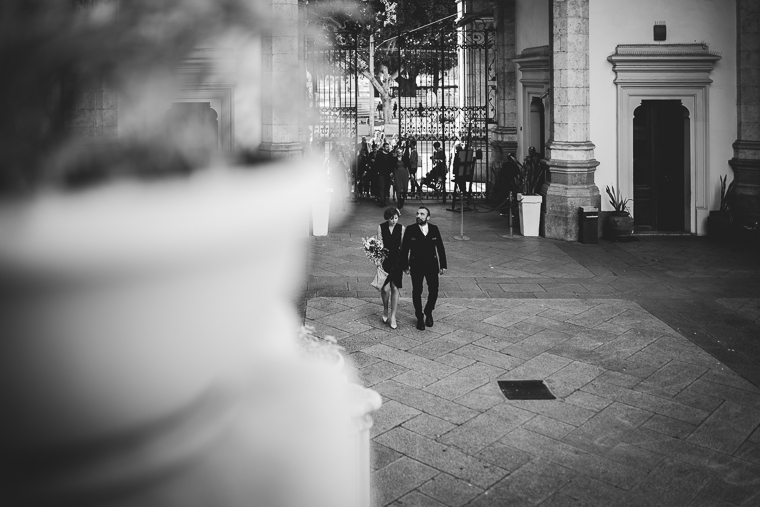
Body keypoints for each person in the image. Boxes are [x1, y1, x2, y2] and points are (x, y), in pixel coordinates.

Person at [400, 206, 447, 331]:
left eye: (422, 214)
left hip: (432, 264)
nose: (418, 216)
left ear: (428, 217)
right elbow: (404, 249)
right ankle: (419, 316)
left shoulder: (434, 229)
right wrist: (405, 266)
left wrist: (443, 265)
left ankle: (428, 311)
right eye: (417, 214)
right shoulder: (410, 230)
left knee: (434, 290)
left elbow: (440, 247)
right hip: (416, 265)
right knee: (417, 291)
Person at [378, 207, 405, 330]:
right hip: (386, 260)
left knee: (395, 287)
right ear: (387, 218)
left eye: (396, 218)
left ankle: (393, 315)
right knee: (384, 288)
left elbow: (403, 247)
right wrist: (378, 261)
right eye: (391, 218)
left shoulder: (401, 228)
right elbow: (379, 245)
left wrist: (405, 264)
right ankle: (385, 308)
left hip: (397, 260)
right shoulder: (381, 227)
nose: (394, 220)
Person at [375, 142, 394, 207]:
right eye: (386, 147)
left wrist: (391, 172)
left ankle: (385, 200)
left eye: (388, 147)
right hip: (381, 173)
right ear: (383, 147)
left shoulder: (390, 155)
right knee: (381, 187)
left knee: (386, 187)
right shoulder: (379, 155)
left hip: (388, 174)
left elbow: (392, 164)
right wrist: (377, 172)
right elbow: (376, 164)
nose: (387, 148)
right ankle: (382, 201)